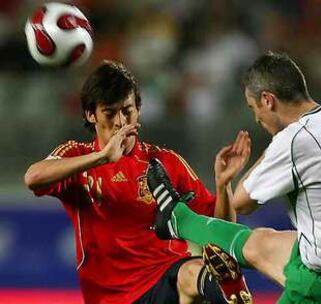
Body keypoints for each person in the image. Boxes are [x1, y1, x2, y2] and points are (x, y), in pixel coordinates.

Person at [146, 52, 321, 304]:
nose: (256, 118)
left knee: (281, 253)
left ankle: (178, 219)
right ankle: (176, 218)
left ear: (268, 100)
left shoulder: (296, 139)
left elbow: (242, 202)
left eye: (253, 107)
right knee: (259, 244)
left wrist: (275, 147)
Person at [24, 60, 252, 304]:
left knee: (195, 272)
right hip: (108, 297)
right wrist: (102, 158)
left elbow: (221, 233)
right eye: (110, 113)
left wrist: (223, 185)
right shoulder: (77, 157)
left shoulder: (164, 162)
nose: (121, 122)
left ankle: (228, 293)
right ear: (91, 115)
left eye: (127, 111)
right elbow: (33, 178)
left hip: (165, 275)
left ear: (139, 109)